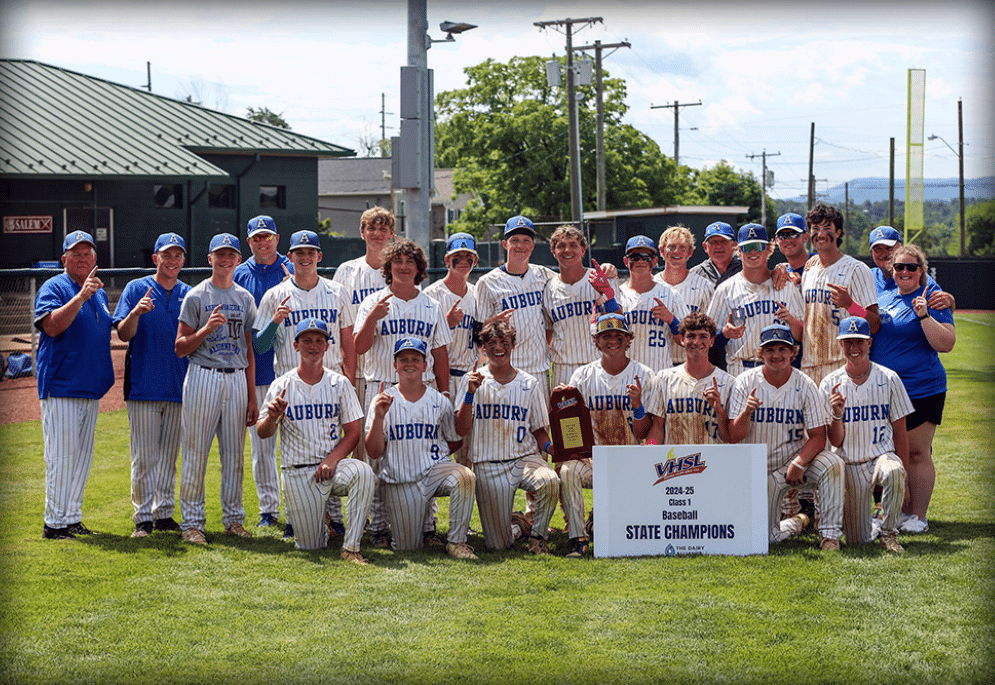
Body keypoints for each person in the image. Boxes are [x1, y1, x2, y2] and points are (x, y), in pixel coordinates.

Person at [253, 229, 355, 539]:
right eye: (299, 252)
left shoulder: (337, 291)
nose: (306, 256)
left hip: (331, 378)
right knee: (294, 454)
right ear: (291, 256)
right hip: (289, 381)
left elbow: (348, 340)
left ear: (319, 256)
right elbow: (259, 346)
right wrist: (274, 321)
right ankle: (294, 515)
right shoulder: (275, 295)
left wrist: (348, 379)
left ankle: (334, 517)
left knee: (330, 447)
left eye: (311, 252)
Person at [354, 238, 452, 547]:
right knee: (379, 462)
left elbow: (440, 352)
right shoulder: (373, 301)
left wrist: (445, 389)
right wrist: (372, 319)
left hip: (423, 391)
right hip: (382, 386)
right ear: (388, 267)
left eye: (410, 262)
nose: (404, 266)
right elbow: (358, 347)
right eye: (398, 261)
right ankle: (380, 527)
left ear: (420, 269)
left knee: (427, 455)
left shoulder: (431, 305)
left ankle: (428, 525)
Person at [255, 318, 374, 562]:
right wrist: (272, 418)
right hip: (298, 471)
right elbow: (262, 432)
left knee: (363, 472)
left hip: (333, 467)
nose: (313, 346)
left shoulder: (339, 383)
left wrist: (333, 458)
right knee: (310, 547)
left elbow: (353, 431)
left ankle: (351, 548)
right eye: (307, 340)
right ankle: (322, 522)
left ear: (327, 346)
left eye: (320, 341)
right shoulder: (282, 385)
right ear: (296, 345)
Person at [728, 324, 844, 551]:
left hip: (792, 465)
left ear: (794, 352)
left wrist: (800, 462)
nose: (776, 355)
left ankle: (829, 536)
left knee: (833, 463)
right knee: (766, 538)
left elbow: (818, 437)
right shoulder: (745, 382)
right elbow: (734, 436)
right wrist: (747, 413)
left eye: (783, 348)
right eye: (770, 349)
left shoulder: (806, 385)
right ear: (760, 353)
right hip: (757, 470)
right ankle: (799, 521)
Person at [175, 233, 257, 545]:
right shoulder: (196, 296)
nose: (225, 260)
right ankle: (192, 523)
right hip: (203, 375)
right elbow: (180, 347)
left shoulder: (245, 298)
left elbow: (249, 350)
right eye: (219, 254)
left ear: (238, 259)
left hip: (236, 377)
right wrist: (206, 329)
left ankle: (233, 519)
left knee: (235, 455)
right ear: (209, 259)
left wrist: (251, 395)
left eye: (230, 255)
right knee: (196, 452)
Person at [554, 313, 659, 557]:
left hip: (630, 459)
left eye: (618, 336)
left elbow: (644, 433)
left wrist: (638, 406)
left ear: (629, 339)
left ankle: (598, 521)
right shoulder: (582, 376)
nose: (612, 340)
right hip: (594, 459)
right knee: (569, 471)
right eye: (606, 336)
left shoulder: (644, 374)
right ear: (596, 341)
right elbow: (571, 428)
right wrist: (562, 402)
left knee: (624, 530)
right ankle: (578, 538)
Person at [364, 338, 478, 559]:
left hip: (435, 473)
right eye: (403, 359)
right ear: (395, 365)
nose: (410, 364)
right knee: (407, 548)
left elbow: (456, 439)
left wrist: (437, 452)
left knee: (465, 477)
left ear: (425, 365)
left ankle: (456, 542)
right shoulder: (383, 401)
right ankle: (420, 529)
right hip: (401, 480)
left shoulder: (439, 401)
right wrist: (379, 417)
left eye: (416, 359)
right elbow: (374, 452)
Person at [869, 244, 955, 534]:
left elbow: (946, 344)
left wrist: (924, 315)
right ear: (891, 271)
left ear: (922, 271)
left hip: (922, 387)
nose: (904, 271)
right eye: (899, 267)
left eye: (911, 267)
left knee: (917, 453)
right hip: (883, 390)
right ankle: (890, 511)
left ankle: (917, 516)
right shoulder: (884, 296)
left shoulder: (932, 298)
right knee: (885, 452)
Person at [35, 230, 114, 539]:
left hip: (90, 386)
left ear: (95, 258)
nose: (82, 258)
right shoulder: (54, 286)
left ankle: (71, 518)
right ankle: (53, 524)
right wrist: (80, 297)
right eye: (76, 253)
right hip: (62, 385)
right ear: (64, 258)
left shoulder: (100, 292)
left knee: (81, 459)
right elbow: (52, 326)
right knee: (60, 457)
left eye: (87, 253)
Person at [454, 320, 559, 554]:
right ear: (483, 348)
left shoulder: (529, 383)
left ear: (513, 344)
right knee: (498, 545)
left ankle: (538, 537)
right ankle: (519, 528)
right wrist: (470, 395)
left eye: (504, 342)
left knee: (550, 480)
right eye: (491, 343)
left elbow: (539, 430)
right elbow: (461, 429)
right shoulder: (471, 380)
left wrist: (551, 448)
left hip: (523, 459)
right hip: (488, 464)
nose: (498, 348)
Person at [112, 232, 191, 537]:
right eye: (166, 255)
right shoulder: (136, 288)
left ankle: (164, 514)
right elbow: (123, 334)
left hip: (178, 386)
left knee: (169, 457)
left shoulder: (189, 292)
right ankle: (143, 516)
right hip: (143, 386)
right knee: (144, 457)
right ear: (155, 258)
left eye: (177, 255)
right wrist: (136, 311)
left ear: (183, 259)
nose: (172, 261)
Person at [820, 317, 912, 553]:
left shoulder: (889, 378)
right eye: (848, 341)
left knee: (894, 471)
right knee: (857, 540)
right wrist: (837, 414)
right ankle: (873, 522)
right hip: (849, 463)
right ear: (840, 345)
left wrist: (906, 480)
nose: (853, 348)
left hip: (881, 457)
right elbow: (835, 441)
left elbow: (901, 434)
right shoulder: (830, 384)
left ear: (869, 342)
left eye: (859, 341)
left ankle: (889, 534)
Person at [233, 215, 293, 532]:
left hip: (293, 370)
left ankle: (303, 508)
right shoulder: (240, 274)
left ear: (277, 238)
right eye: (256, 238)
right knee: (262, 448)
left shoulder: (294, 269)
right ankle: (268, 509)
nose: (262, 242)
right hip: (256, 371)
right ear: (249, 242)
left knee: (300, 444)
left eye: (267, 236)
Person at [474, 216, 556, 404]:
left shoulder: (544, 275)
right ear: (505, 244)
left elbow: (569, 281)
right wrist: (491, 323)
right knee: (506, 428)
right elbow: (477, 333)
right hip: (504, 369)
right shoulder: (487, 282)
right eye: (515, 240)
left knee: (541, 428)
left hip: (538, 369)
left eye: (526, 240)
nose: (520, 245)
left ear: (533, 245)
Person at [706, 224, 804, 376]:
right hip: (740, 368)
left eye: (758, 246)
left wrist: (791, 321)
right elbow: (707, 340)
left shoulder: (786, 286)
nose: (753, 252)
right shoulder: (725, 290)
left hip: (780, 369)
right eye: (747, 247)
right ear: (738, 251)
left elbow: (802, 336)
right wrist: (725, 334)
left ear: (769, 249)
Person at [800, 202, 879, 387]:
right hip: (809, 368)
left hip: (843, 368)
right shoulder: (809, 270)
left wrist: (850, 305)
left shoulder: (856, 269)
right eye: (815, 228)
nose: (820, 234)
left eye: (827, 228)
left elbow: (874, 324)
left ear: (838, 233)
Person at [423, 232, 481, 468]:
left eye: (469, 256)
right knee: (434, 447)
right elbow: (420, 343)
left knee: (469, 450)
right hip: (440, 380)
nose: (464, 260)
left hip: (469, 377)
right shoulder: (431, 295)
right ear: (447, 261)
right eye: (458, 256)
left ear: (475, 261)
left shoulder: (478, 293)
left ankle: (468, 503)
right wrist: (445, 323)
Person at [543, 225, 620, 389]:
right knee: (565, 415)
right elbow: (548, 332)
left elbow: (620, 319)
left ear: (583, 250)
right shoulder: (548, 288)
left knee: (600, 415)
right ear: (554, 252)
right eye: (561, 246)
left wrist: (606, 294)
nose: (567, 250)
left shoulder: (600, 277)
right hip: (562, 368)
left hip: (597, 363)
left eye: (573, 245)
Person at [646, 312, 734, 445]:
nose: (697, 342)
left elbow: (730, 438)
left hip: (714, 462)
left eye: (703, 336)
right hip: (675, 462)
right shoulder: (664, 378)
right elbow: (657, 427)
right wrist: (650, 446)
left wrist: (719, 411)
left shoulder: (729, 382)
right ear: (682, 339)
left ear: (712, 341)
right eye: (691, 336)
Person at [616, 235, 689, 373]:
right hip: (624, 375)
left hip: (659, 374)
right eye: (635, 257)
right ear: (626, 261)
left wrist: (672, 320)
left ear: (654, 261)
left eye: (646, 257)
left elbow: (686, 340)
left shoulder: (671, 295)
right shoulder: (618, 296)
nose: (641, 261)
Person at [655, 225, 715, 365]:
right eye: (672, 247)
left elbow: (710, 332)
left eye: (683, 248)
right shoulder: (651, 285)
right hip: (656, 362)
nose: (677, 252)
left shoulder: (704, 286)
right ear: (662, 251)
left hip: (688, 363)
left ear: (690, 252)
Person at [869, 225, 955, 310]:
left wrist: (950, 301)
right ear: (872, 252)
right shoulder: (867, 276)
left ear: (900, 248)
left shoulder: (915, 276)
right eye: (878, 249)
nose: (884, 254)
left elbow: (943, 307)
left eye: (889, 248)